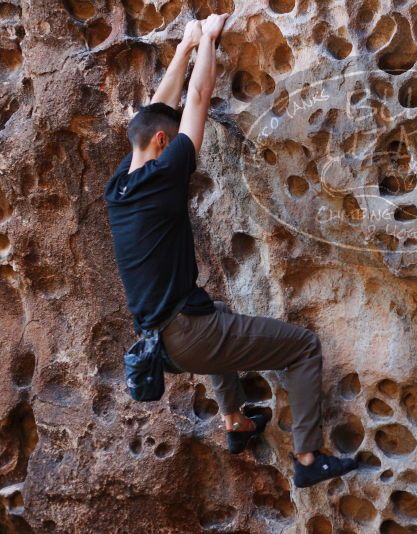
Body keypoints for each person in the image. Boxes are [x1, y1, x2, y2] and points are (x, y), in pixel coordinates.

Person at [103, 14, 357, 488]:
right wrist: (210, 39)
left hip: (164, 345)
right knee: (302, 346)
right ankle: (307, 460)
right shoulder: (167, 172)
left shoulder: (119, 187)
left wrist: (185, 44)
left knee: (216, 317)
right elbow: (196, 98)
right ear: (164, 142)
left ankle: (236, 422)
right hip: (187, 338)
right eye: (170, 138)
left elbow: (157, 110)